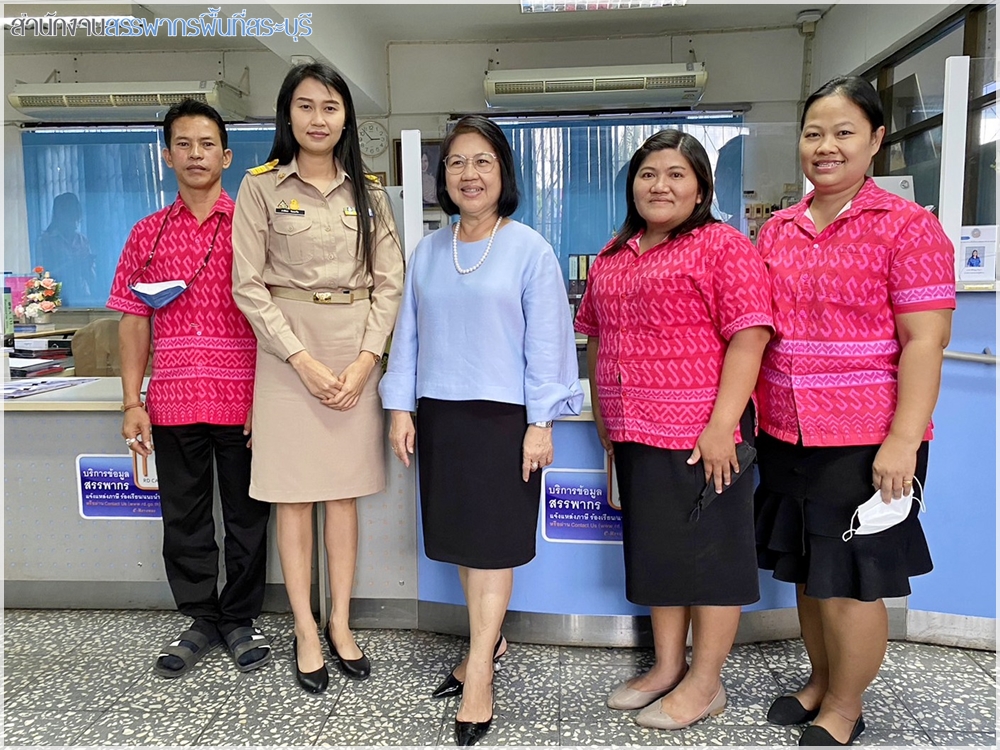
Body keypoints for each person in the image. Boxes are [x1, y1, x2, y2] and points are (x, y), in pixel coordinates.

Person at [753, 76, 955, 746]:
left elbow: (925, 341)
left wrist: (902, 440)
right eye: (814, 133)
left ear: (875, 140)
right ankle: (820, 679)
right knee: (811, 574)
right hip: (787, 431)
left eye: (843, 132)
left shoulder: (908, 228)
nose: (826, 146)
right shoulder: (776, 230)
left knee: (851, 584)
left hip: (869, 438)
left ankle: (845, 703)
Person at [380, 114, 582, 746]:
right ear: (444, 176)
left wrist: (540, 422)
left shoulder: (529, 249)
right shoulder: (429, 251)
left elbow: (548, 346)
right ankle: (484, 648)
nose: (469, 174)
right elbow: (407, 335)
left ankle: (478, 677)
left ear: (503, 174)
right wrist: (400, 406)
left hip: (504, 420)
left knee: (493, 547)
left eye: (482, 162)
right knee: (464, 546)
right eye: (458, 163)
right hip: (442, 414)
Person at [575, 130, 773, 731]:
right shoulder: (614, 253)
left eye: (676, 174)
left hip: (702, 436)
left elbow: (751, 334)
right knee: (661, 557)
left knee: (711, 561)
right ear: (632, 186)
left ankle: (706, 683)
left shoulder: (723, 246)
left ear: (701, 188)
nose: (660, 185)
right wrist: (606, 414)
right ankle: (666, 668)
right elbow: (597, 336)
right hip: (635, 431)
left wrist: (721, 428)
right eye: (648, 174)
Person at [231, 63, 404, 695]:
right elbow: (247, 285)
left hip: (354, 347)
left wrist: (366, 362)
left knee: (342, 496)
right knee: (293, 497)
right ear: (288, 116)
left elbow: (390, 283)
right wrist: (300, 359)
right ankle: (304, 625)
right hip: (285, 354)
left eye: (330, 107)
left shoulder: (371, 194)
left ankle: (340, 621)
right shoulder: (261, 188)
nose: (318, 119)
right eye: (305, 107)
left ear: (346, 119)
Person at [107, 99, 272, 679]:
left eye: (207, 144)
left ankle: (241, 617)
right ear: (167, 154)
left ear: (226, 155)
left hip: (245, 401)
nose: (196, 154)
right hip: (173, 402)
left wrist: (269, 401)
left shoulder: (253, 228)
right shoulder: (146, 235)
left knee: (248, 519)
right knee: (184, 518)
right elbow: (132, 319)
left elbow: (274, 316)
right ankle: (202, 616)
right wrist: (133, 402)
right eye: (184, 144)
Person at [37, 192, 97, 303]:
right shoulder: (46, 240)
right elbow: (42, 277)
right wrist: (71, 264)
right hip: (56, 299)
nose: (74, 221)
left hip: (83, 296)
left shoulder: (82, 240)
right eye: (70, 216)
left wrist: (87, 266)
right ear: (60, 215)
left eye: (76, 217)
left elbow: (92, 278)